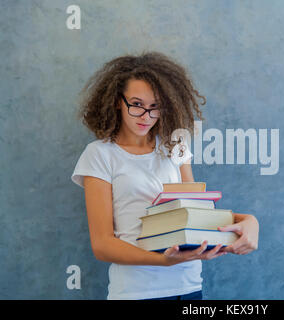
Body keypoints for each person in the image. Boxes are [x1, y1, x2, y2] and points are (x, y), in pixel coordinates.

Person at [71, 51, 259, 300]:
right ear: (118, 101)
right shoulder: (99, 154)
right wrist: (162, 261)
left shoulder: (176, 146)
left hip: (188, 286)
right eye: (136, 104)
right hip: (137, 292)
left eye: (155, 107)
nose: (146, 116)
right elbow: (103, 244)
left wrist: (249, 221)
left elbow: (194, 215)